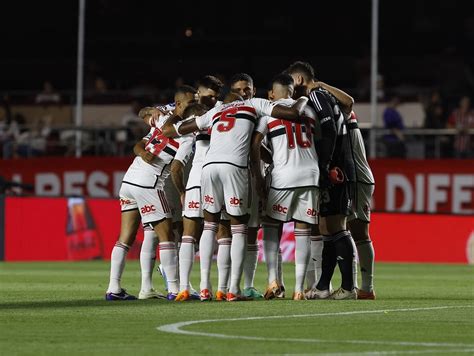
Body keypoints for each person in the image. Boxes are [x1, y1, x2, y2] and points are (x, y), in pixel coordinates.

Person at [161, 91, 308, 301]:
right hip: (235, 167)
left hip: (209, 168)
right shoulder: (253, 104)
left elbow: (173, 130)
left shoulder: (216, 111)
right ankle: (232, 290)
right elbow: (293, 113)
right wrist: (302, 98)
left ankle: (204, 288)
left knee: (209, 226)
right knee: (238, 229)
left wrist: (171, 116)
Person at [105, 86, 196, 300]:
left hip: (129, 180)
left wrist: (150, 110)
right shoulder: (186, 135)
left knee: (125, 237)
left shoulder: (162, 119)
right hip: (149, 183)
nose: (195, 106)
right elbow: (175, 168)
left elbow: (145, 116)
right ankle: (175, 290)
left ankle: (113, 288)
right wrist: (182, 192)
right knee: (166, 236)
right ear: (179, 105)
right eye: (191, 103)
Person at [286, 61, 357, 300]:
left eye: (290, 83)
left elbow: (328, 130)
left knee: (336, 226)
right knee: (328, 228)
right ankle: (323, 286)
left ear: (298, 80)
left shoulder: (316, 95)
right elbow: (348, 103)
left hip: (335, 167)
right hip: (335, 165)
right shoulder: (325, 94)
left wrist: (325, 165)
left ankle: (348, 288)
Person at [251, 73, 319, 300]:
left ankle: (273, 281)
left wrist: (264, 170)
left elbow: (255, 143)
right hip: (311, 174)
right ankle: (300, 289)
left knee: (271, 226)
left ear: (272, 93)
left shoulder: (268, 112)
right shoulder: (309, 111)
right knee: (303, 231)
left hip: (283, 176)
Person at [228, 73, 265, 299]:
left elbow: (258, 146)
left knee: (251, 231)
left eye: (247, 89)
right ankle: (225, 286)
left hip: (249, 176)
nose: (244, 93)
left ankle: (247, 285)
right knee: (225, 231)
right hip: (232, 174)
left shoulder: (257, 112)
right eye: (239, 90)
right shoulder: (224, 112)